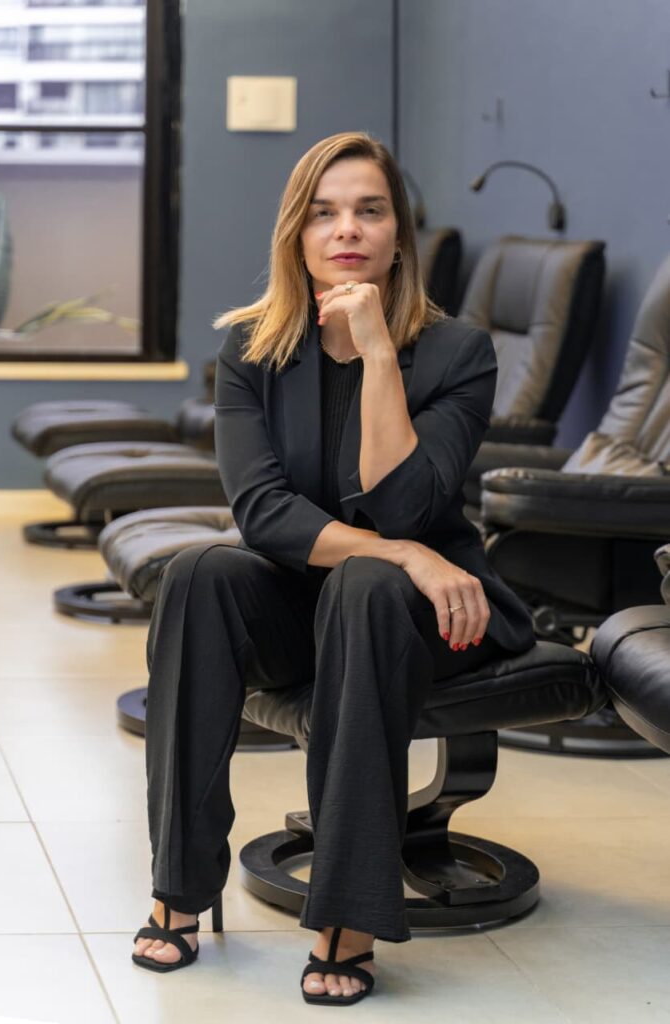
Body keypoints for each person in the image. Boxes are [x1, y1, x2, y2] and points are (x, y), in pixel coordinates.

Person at [131, 131, 535, 1006]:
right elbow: (263, 514)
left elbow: (407, 508)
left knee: (366, 584)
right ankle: (178, 884)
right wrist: (402, 553)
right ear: (297, 234)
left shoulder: (459, 352)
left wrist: (379, 352)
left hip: (426, 615)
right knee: (199, 574)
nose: (346, 228)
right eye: (324, 213)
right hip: (324, 596)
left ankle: (350, 913)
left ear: (398, 236)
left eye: (369, 210)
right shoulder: (251, 349)